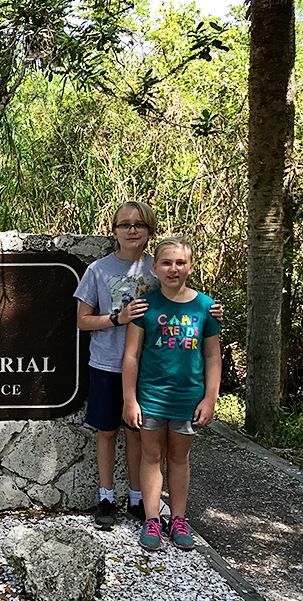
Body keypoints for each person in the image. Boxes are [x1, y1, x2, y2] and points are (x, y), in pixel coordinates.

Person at [74, 203, 222, 531]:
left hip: (149, 370)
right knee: (107, 431)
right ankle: (106, 497)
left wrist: (212, 312)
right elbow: (82, 321)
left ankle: (140, 500)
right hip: (107, 364)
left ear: (149, 231)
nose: (131, 230)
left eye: (139, 225)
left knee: (138, 434)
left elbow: (183, 300)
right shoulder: (98, 270)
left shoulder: (156, 270)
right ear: (113, 231)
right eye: (124, 225)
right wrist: (117, 318)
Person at [122, 236, 222, 551]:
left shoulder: (205, 307)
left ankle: (178, 519)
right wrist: (130, 399)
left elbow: (212, 357)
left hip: (187, 399)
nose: (173, 269)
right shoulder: (144, 306)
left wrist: (210, 398)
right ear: (155, 267)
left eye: (180, 263)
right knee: (152, 457)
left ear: (190, 267)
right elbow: (131, 356)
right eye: (166, 262)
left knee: (179, 458)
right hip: (151, 396)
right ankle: (153, 519)